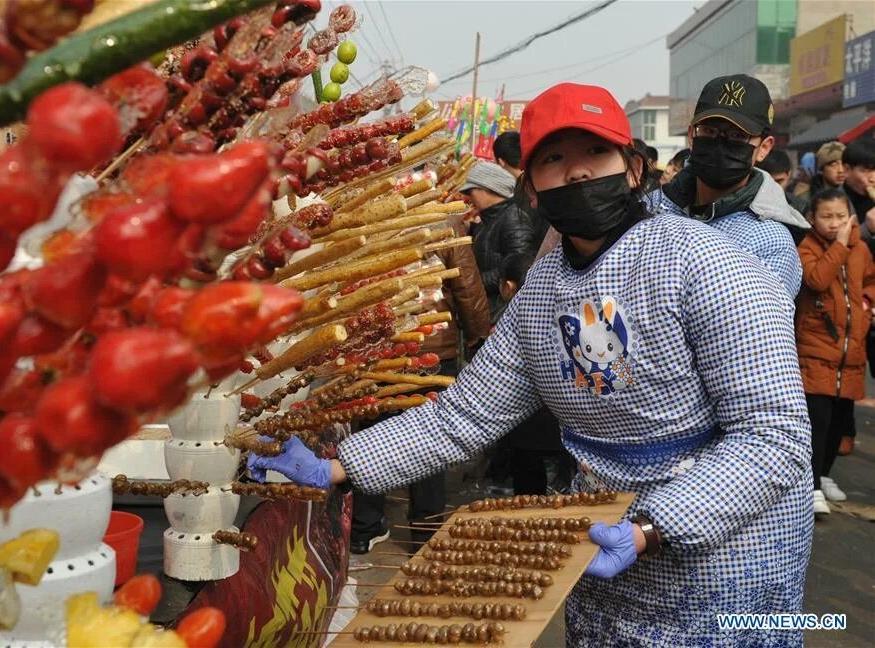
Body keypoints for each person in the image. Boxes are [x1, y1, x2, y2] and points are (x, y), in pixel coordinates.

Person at [250, 82, 813, 646]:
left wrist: (651, 526)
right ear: (532, 191)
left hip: (724, 547)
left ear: (634, 169)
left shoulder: (710, 263)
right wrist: (337, 467)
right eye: (553, 159)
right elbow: (463, 417)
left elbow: (774, 436)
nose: (577, 173)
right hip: (599, 530)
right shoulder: (543, 293)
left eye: (596, 153)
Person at [350, 213, 492, 552]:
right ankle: (424, 531)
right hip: (432, 349)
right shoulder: (445, 220)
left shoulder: (370, 214)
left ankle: (364, 527)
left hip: (379, 350)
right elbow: (467, 288)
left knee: (373, 432)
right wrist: (477, 337)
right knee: (430, 436)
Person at [649, 74, 809, 297]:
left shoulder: (772, 242)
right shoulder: (650, 208)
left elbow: (756, 327)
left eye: (737, 136)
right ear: (692, 137)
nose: (720, 144)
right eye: (709, 131)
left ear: (763, 148)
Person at [796, 188, 875, 515]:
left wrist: (867, 303)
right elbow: (816, 278)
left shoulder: (862, 250)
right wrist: (841, 245)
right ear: (812, 219)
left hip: (850, 352)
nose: (834, 223)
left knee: (841, 423)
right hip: (816, 349)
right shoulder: (808, 247)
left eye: (840, 216)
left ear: (851, 216)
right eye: (827, 217)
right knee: (819, 422)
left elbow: (870, 280)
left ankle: (825, 475)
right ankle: (811, 485)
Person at [496, 252, 570, 495]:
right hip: (565, 435)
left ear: (508, 287)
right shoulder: (568, 321)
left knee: (530, 499)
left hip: (527, 436)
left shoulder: (508, 329)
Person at [462, 162, 539, 323]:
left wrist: (473, 282)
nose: (468, 198)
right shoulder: (489, 219)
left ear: (488, 189)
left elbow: (519, 270)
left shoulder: (514, 219)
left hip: (499, 315)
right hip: (486, 309)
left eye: (471, 191)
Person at [757, 147, 809, 224]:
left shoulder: (801, 207)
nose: (774, 186)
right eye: (768, 181)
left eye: (779, 181)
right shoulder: (749, 204)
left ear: (789, 174)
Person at [842, 137, 875, 236]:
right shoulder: (831, 202)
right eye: (866, 170)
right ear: (847, 170)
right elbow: (835, 246)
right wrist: (867, 228)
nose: (873, 179)